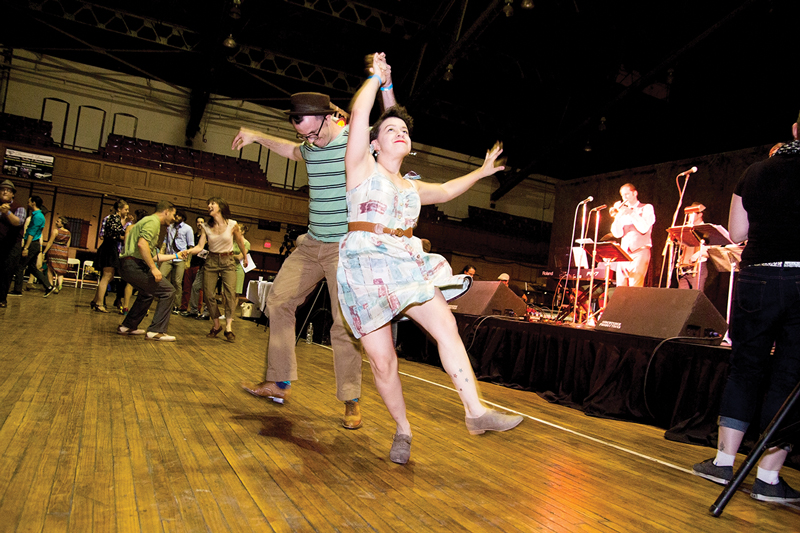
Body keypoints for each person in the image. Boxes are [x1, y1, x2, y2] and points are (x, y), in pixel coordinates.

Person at [337, 53, 522, 464]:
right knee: (383, 363)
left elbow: (448, 190)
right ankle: (402, 430)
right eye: (391, 129)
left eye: (404, 130)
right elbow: (362, 110)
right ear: (373, 142)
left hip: (405, 262)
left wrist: (481, 172)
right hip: (366, 266)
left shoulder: (410, 186)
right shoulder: (360, 168)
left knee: (446, 324)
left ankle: (476, 412)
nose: (400, 132)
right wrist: (377, 79)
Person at [235, 76, 398, 430]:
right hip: (312, 244)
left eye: (314, 132)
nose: (310, 141)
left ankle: (351, 400)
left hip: (346, 248)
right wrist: (256, 136)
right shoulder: (309, 145)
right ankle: (279, 383)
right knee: (278, 300)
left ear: (329, 118)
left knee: (343, 326)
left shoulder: (355, 143)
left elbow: (390, 120)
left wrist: (381, 83)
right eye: (303, 135)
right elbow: (291, 151)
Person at [692, 113, 800, 503]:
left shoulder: (755, 171)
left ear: (793, 129)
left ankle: (723, 461)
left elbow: (737, 234)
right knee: (789, 377)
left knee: (745, 368)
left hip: (759, 277)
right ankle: (768, 479)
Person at [184, 197, 249, 342]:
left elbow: (239, 241)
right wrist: (189, 251)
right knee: (208, 294)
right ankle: (216, 325)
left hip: (228, 260)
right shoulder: (206, 226)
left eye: (212, 203)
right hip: (211, 260)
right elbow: (200, 247)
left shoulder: (233, 224)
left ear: (221, 207)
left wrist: (245, 257)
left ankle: (229, 328)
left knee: (230, 293)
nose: (209, 206)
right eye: (208, 204)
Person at [117, 200, 180, 341]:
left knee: (147, 293)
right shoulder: (153, 222)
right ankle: (156, 331)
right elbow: (142, 244)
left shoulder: (147, 221)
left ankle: (128, 326)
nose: (174, 218)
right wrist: (153, 268)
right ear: (166, 211)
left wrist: (176, 255)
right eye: (173, 214)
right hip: (134, 265)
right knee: (168, 291)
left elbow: (151, 254)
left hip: (127, 265)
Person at [610, 183, 655, 287]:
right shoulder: (623, 211)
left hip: (639, 251)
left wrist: (631, 213)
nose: (624, 198)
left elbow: (644, 228)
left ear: (635, 193)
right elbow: (617, 233)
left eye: (627, 194)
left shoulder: (646, 208)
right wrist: (618, 216)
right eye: (622, 195)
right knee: (621, 288)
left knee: (635, 287)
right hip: (624, 253)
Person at [14, 195, 57, 297]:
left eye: (29, 201)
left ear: (33, 203)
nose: (27, 203)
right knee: (33, 268)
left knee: (20, 266)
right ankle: (49, 286)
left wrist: (26, 247)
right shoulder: (36, 215)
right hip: (34, 244)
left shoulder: (38, 216)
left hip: (32, 244)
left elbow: (32, 233)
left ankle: (17, 290)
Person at [91, 199, 129, 312]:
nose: (127, 211)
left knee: (110, 276)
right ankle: (99, 303)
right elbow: (116, 235)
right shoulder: (113, 218)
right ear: (119, 209)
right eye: (126, 209)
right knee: (106, 276)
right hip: (109, 248)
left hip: (110, 248)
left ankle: (95, 300)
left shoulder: (116, 219)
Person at [159, 208, 194, 314]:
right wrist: (162, 252)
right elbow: (165, 240)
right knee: (161, 276)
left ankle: (176, 305)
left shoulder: (188, 229)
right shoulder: (170, 226)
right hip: (169, 256)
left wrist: (188, 261)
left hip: (180, 258)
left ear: (182, 217)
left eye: (178, 216)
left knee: (177, 282)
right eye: (175, 215)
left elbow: (191, 246)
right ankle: (163, 300)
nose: (176, 217)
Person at [0, 179, 26, 307]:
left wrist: (7, 213)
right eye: (2, 189)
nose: (5, 191)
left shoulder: (19, 207)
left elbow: (17, 222)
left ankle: (2, 299)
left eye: (8, 190)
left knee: (6, 272)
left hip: (11, 245)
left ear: (13, 194)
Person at [676, 203, 709, 291]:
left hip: (698, 267)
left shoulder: (706, 229)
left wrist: (697, 255)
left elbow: (710, 248)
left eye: (692, 213)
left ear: (700, 214)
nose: (689, 216)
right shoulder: (687, 229)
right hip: (685, 269)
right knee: (681, 297)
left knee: (696, 296)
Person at [181, 216, 207, 318]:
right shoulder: (194, 236)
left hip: (205, 264)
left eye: (202, 222)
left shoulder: (208, 237)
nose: (200, 224)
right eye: (198, 222)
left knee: (204, 290)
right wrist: (188, 252)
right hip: (194, 264)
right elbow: (197, 247)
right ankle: (193, 310)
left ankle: (205, 311)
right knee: (192, 287)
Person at [43, 215, 71, 292]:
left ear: (62, 224)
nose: (56, 222)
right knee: (60, 271)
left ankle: (52, 286)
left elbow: (50, 242)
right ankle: (60, 285)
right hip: (63, 252)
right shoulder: (68, 233)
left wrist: (44, 252)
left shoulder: (56, 231)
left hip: (54, 250)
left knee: (50, 269)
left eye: (58, 221)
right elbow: (68, 245)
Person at [233, 223, 251, 294]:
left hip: (239, 268)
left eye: (238, 230)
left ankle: (233, 305)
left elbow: (239, 257)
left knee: (236, 292)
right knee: (224, 292)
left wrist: (230, 255)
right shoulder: (232, 242)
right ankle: (226, 305)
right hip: (229, 266)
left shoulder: (246, 243)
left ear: (243, 232)